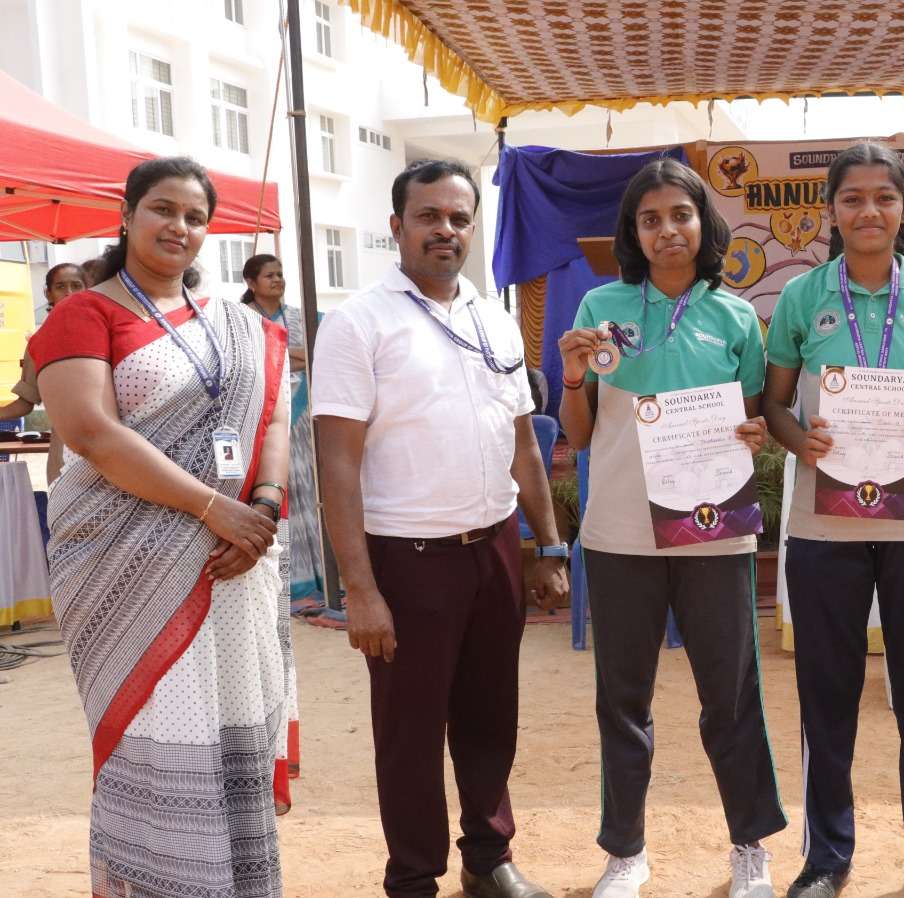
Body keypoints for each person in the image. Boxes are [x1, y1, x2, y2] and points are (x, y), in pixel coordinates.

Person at [30, 156, 289, 897]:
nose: (180, 226)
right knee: (158, 734)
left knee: (229, 733)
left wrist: (262, 508)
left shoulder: (236, 325)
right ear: (127, 214)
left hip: (232, 560)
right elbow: (92, 433)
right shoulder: (87, 313)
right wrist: (214, 510)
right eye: (163, 209)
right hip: (123, 564)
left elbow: (271, 417)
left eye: (196, 217)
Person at [312, 159, 570, 898]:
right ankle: (414, 878)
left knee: (491, 717)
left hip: (494, 547)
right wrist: (361, 590)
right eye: (429, 216)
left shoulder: (493, 318)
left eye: (459, 218)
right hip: (407, 558)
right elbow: (337, 465)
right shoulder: (359, 323)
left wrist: (547, 546)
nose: (445, 230)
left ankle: (488, 859)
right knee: (411, 732)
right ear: (397, 226)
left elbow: (523, 444)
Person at [556, 157, 786, 898]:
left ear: (702, 223)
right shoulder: (600, 306)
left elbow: (753, 419)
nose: (667, 231)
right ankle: (625, 852)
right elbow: (579, 434)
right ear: (633, 231)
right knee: (623, 700)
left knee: (732, 694)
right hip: (621, 531)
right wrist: (571, 380)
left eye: (680, 215)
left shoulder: (734, 316)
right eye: (649, 219)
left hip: (713, 530)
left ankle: (749, 846)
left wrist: (754, 434)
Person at [761, 142, 904, 898]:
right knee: (827, 694)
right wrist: (800, 440)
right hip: (826, 523)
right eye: (853, 198)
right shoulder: (800, 297)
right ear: (832, 211)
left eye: (884, 197)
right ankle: (826, 856)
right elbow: (774, 402)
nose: (869, 210)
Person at [239, 252, 308, 810]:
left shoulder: (297, 319)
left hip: (288, 447)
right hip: (241, 485)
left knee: (271, 639)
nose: (278, 281)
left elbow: (310, 356)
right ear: (249, 283)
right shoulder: (240, 324)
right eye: (270, 275)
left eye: (281, 274)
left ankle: (275, 766)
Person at [2, 262, 88, 482]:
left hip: (114, 444)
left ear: (87, 288)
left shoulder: (110, 330)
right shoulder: (39, 342)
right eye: (60, 286)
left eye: (76, 285)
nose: (69, 293)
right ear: (47, 293)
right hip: (65, 451)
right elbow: (25, 404)